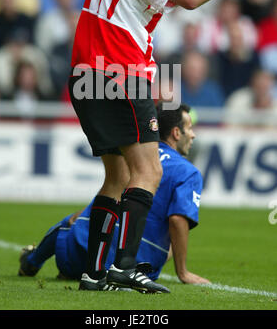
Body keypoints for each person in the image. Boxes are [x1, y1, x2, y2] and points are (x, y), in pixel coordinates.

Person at [67, 0, 266, 293]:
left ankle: (93, 272)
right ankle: (124, 267)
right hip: (120, 70)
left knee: (118, 176)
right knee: (150, 169)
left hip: (86, 74)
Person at [18, 104, 210, 286]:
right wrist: (182, 271)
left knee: (75, 219)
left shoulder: (129, 157)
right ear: (176, 133)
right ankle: (121, 268)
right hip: (139, 267)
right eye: (190, 128)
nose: (193, 135)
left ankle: (32, 261)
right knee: (162, 239)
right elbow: (177, 220)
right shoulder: (188, 172)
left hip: (80, 256)